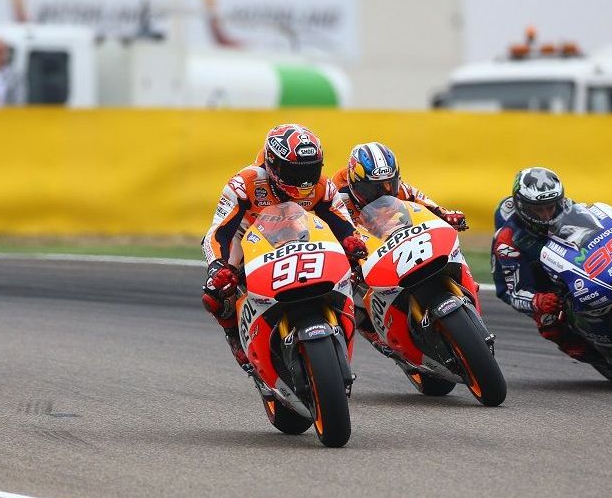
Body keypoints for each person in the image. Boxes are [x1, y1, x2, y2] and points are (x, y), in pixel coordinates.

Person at [201, 124, 368, 375]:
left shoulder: (321, 186)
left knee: (358, 267)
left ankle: (338, 320)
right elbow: (218, 232)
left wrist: (352, 241)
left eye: (311, 170)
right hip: (247, 238)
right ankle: (233, 332)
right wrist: (218, 266)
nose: (303, 181)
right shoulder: (244, 182)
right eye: (294, 171)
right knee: (216, 292)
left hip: (301, 233)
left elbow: (342, 222)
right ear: (273, 164)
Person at [332, 142, 475, 382]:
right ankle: (382, 340)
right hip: (361, 251)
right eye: (373, 189)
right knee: (350, 303)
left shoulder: (397, 188)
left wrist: (446, 214)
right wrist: (345, 261)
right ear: (355, 183)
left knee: (451, 250)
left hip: (400, 241)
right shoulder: (337, 196)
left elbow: (425, 204)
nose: (384, 192)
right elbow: (327, 232)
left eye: (389, 184)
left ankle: (467, 291)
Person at [491, 166, 612, 362]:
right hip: (539, 283)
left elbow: (603, 223)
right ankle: (588, 352)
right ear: (523, 207)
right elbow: (511, 292)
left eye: (551, 206)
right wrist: (538, 300)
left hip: (577, 264)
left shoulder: (568, 208)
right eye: (538, 210)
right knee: (549, 320)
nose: (546, 215)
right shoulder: (509, 242)